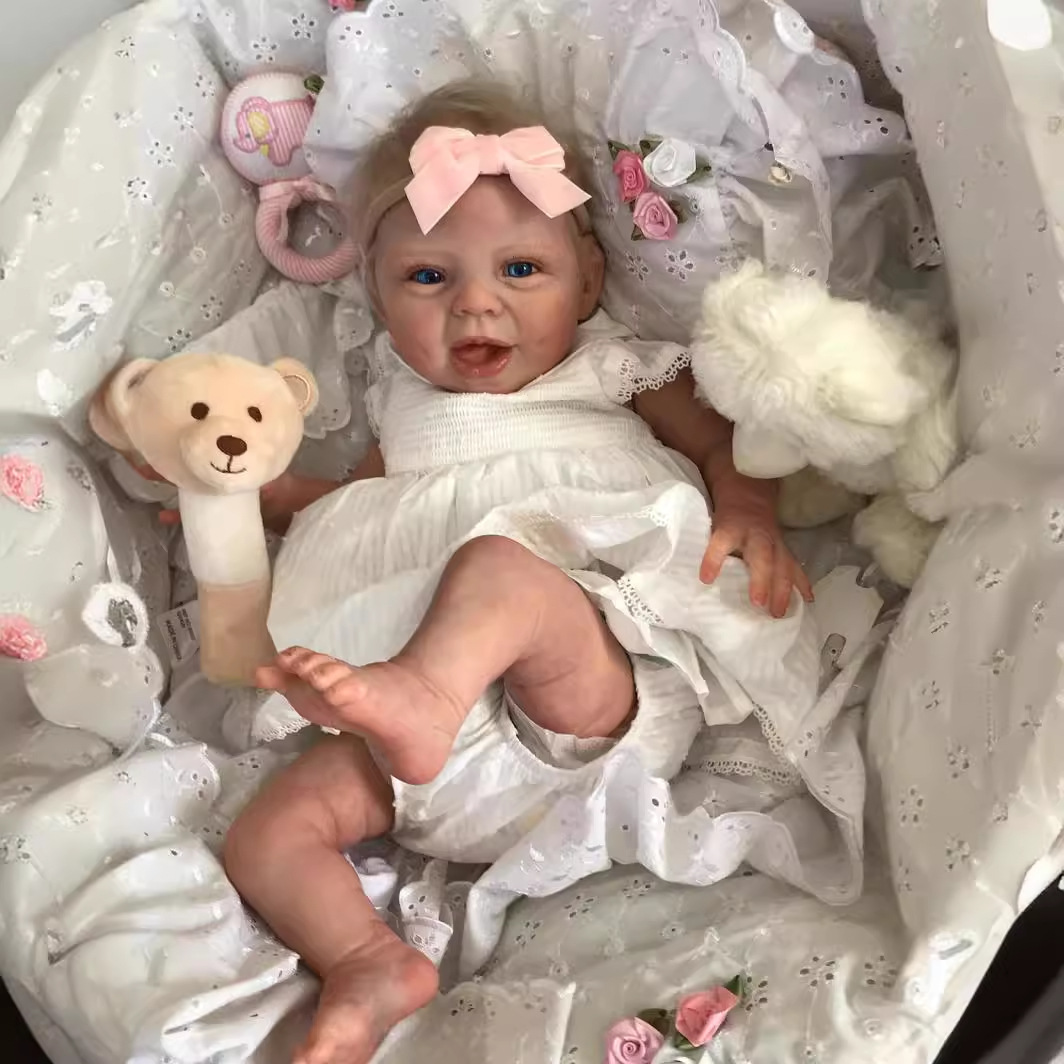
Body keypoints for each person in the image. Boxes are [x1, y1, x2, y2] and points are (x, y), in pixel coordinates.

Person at [218, 81, 814, 1064]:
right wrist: (261, 498)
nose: (475, 301)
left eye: (521, 267)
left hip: (586, 705)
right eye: (427, 277)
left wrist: (747, 509)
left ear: (586, 279)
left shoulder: (610, 366)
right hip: (441, 775)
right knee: (266, 834)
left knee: (504, 566)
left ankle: (419, 693)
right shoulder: (403, 406)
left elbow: (726, 447)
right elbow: (357, 508)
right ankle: (366, 960)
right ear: (377, 298)